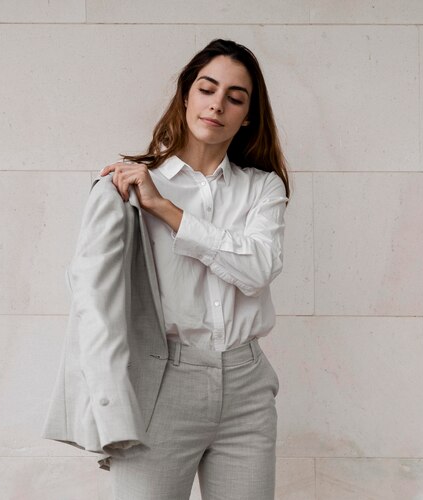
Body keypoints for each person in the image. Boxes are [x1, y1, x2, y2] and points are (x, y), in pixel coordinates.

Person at [98, 38, 290, 500]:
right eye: (207, 89)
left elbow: (258, 268)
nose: (217, 104)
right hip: (161, 380)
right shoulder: (127, 185)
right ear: (186, 94)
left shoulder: (262, 188)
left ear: (248, 116)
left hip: (246, 386)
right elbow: (95, 298)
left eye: (235, 97)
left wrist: (165, 210)